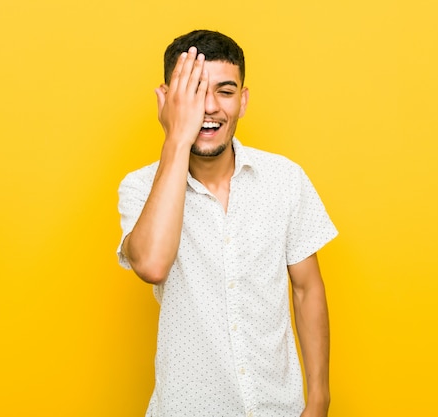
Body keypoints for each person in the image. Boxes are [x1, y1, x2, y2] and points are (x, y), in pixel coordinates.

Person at [117, 29, 338, 417]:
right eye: (194, 91)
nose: (210, 107)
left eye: (225, 91)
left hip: (278, 408)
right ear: (168, 100)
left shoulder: (284, 179)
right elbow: (151, 265)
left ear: (243, 99)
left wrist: (319, 398)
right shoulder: (139, 186)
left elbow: (307, 289)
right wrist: (176, 139)